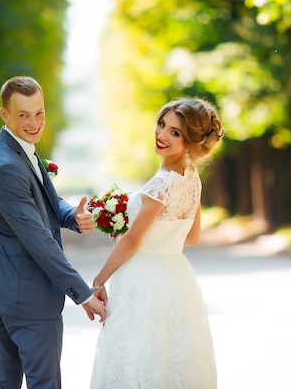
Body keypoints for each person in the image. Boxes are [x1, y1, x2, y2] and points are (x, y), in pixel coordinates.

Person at [0, 75, 106, 389]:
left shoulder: (14, 148)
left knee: (3, 383)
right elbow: (39, 241)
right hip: (25, 301)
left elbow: (44, 199)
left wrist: (71, 215)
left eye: (40, 113)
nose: (35, 123)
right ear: (4, 114)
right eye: (24, 115)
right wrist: (82, 294)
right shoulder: (6, 164)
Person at [89, 97, 224, 389]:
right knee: (171, 358)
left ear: (189, 142)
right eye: (162, 124)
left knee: (139, 358)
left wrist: (98, 282)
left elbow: (133, 241)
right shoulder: (191, 178)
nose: (162, 135)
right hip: (176, 277)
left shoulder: (162, 184)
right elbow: (192, 236)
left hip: (144, 278)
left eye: (175, 133)